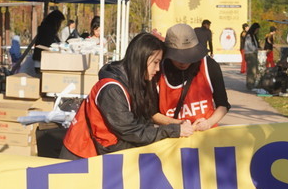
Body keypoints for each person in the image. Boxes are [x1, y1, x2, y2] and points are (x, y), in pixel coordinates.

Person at [61, 32, 193, 159]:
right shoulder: (112, 89)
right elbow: (131, 132)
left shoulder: (136, 82)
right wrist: (172, 131)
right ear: (141, 58)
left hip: (102, 153)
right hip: (81, 154)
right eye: (155, 62)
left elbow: (144, 121)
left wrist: (181, 125)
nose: (158, 69)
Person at [153, 23, 231, 130]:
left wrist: (208, 123)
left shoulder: (209, 65)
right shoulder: (157, 70)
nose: (183, 62)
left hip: (206, 134)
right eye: (178, 57)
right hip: (172, 136)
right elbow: (152, 113)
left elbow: (223, 105)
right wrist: (180, 124)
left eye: (188, 56)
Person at [243, 22, 261, 90]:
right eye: (257, 30)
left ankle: (253, 83)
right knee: (251, 70)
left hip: (254, 53)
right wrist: (256, 49)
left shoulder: (253, 36)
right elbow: (249, 45)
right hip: (250, 53)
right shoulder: (249, 36)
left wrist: (258, 48)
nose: (257, 31)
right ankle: (250, 84)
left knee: (255, 69)